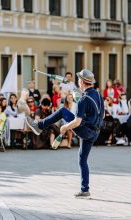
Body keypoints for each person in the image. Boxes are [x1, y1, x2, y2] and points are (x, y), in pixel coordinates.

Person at [26, 69, 104, 198]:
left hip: (85, 130)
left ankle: (39, 126)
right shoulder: (98, 95)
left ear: (82, 82)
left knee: (63, 111)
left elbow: (77, 121)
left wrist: (65, 127)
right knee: (82, 159)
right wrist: (73, 92)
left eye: (79, 79)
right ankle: (85, 190)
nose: (78, 80)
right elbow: (92, 110)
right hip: (95, 132)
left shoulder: (83, 100)